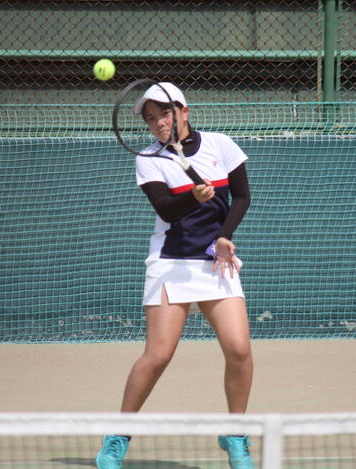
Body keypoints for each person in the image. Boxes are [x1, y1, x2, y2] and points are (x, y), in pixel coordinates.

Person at [96, 82, 255, 469]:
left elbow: (241, 196)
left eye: (164, 113)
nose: (158, 123)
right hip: (171, 262)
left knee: (239, 349)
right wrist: (192, 197)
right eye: (150, 119)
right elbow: (166, 209)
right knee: (158, 355)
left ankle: (236, 434)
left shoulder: (220, 145)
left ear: (184, 111)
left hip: (214, 261)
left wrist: (224, 236)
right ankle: (117, 437)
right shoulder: (149, 158)